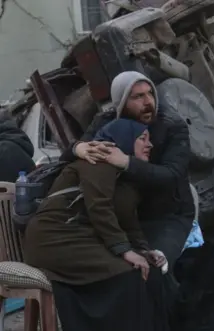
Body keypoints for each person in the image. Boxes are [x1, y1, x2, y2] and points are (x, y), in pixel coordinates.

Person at [23, 118, 170, 331]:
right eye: (142, 138)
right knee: (127, 274)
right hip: (54, 239)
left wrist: (144, 250)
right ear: (123, 138)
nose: (150, 144)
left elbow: (128, 221)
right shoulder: (98, 158)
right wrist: (124, 250)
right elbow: (99, 207)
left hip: (83, 238)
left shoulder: (126, 178)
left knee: (149, 271)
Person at [59, 71, 195, 271]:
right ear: (121, 101)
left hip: (167, 215)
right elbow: (73, 156)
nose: (148, 102)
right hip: (125, 216)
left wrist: (126, 162)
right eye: (138, 97)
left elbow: (171, 175)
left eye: (150, 94)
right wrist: (77, 148)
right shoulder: (106, 122)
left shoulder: (172, 127)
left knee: (154, 269)